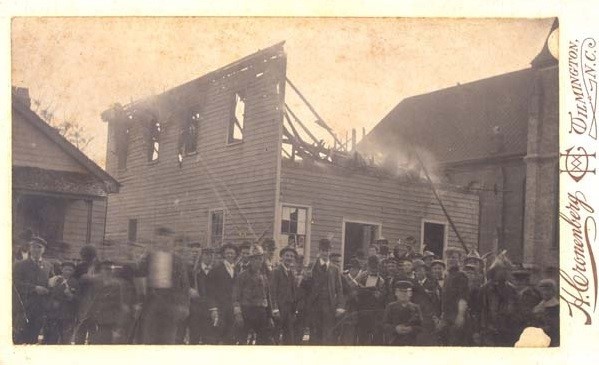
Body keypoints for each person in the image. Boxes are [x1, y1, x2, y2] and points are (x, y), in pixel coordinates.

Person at [137, 227, 191, 344]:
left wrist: (185, 306)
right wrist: (140, 300)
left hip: (171, 301)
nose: (165, 242)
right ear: (157, 240)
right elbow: (139, 278)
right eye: (161, 239)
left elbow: (185, 285)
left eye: (168, 239)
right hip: (152, 300)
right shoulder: (148, 258)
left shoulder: (178, 260)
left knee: (168, 337)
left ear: (172, 241)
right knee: (149, 336)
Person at [13, 236, 54, 344]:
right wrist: (34, 288)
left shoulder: (48, 265)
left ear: (44, 250)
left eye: (39, 247)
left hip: (41, 308)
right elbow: (15, 283)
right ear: (30, 248)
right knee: (19, 338)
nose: (36, 250)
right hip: (24, 308)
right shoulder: (20, 265)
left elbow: (52, 282)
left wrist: (51, 288)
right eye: (34, 247)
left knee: (34, 337)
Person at [233, 244, 274, 345]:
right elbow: (236, 297)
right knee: (242, 341)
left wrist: (269, 317)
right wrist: (238, 314)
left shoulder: (264, 276)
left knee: (263, 341)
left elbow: (267, 297)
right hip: (246, 312)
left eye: (260, 259)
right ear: (250, 260)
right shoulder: (242, 276)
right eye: (255, 259)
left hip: (261, 312)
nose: (258, 262)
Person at [307, 239, 345, 345]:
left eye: (327, 250)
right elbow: (307, 286)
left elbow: (339, 289)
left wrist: (340, 306)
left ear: (330, 251)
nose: (325, 253)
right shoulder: (312, 266)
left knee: (328, 335)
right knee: (314, 334)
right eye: (323, 250)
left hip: (329, 306)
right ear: (319, 251)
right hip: (315, 305)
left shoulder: (335, 269)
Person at [479, 253, 520, 346]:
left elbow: (516, 310)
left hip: (507, 331)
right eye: (501, 269)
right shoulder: (485, 288)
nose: (504, 272)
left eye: (506, 270)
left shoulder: (512, 289)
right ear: (494, 270)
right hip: (489, 331)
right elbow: (480, 309)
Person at [84, 261, 128, 344]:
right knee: (93, 341)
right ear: (101, 270)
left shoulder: (117, 284)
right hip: (94, 318)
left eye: (110, 269)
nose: (108, 271)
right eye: (106, 269)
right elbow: (89, 299)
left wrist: (118, 323)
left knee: (105, 341)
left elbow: (119, 303)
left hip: (108, 319)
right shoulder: (94, 282)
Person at [208, 242, 240, 344]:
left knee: (230, 335)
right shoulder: (216, 269)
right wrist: (213, 309)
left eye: (232, 253)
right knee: (218, 335)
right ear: (223, 255)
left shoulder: (237, 269)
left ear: (235, 255)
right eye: (227, 253)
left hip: (232, 308)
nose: (230, 255)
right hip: (220, 308)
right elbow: (211, 291)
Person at [185, 247, 217, 344]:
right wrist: (189, 290)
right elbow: (184, 285)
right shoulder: (193, 271)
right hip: (195, 309)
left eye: (211, 255)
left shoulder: (216, 271)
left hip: (211, 309)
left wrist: (215, 308)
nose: (209, 257)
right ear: (201, 256)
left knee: (209, 339)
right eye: (206, 254)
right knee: (194, 337)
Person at [439, 248, 471, 346]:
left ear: (459, 260)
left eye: (454, 257)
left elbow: (463, 298)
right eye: (449, 257)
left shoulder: (461, 276)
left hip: (456, 315)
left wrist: (460, 315)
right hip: (447, 316)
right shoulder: (448, 276)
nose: (451, 260)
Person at [354, 255, 386, 345]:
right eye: (371, 267)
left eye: (375, 267)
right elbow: (354, 288)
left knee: (375, 337)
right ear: (367, 266)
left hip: (375, 312)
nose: (373, 270)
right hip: (362, 310)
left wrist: (378, 295)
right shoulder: (362, 276)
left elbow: (382, 296)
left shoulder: (381, 280)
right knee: (362, 337)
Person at [45, 261, 79, 344]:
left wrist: (70, 295)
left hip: (67, 314)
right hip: (54, 313)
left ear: (73, 272)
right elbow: (49, 293)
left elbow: (77, 298)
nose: (67, 272)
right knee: (52, 337)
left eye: (70, 270)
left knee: (65, 338)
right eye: (66, 269)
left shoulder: (75, 282)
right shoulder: (55, 280)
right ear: (62, 270)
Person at [270, 246, 299, 345]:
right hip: (279, 308)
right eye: (287, 255)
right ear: (282, 257)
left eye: (292, 256)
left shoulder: (291, 272)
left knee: (289, 336)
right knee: (276, 334)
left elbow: (294, 292)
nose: (289, 258)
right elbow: (272, 291)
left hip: (289, 309)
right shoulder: (276, 271)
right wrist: (275, 309)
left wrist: (295, 310)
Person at [382, 280, 423, 346]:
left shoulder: (416, 308)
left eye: (406, 291)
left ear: (411, 293)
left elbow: (421, 326)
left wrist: (411, 329)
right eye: (400, 291)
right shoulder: (390, 307)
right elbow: (384, 325)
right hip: (394, 341)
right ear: (396, 293)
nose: (403, 294)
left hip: (411, 341)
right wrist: (395, 328)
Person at [412, 259, 440, 345]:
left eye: (420, 270)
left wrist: (436, 317)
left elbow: (436, 302)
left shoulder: (433, 283)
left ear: (425, 271)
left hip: (428, 318)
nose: (418, 272)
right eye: (416, 271)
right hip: (415, 318)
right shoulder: (412, 284)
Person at [532, 279, 559, 347]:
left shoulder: (556, 306)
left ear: (553, 292)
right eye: (542, 290)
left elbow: (554, 326)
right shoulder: (539, 305)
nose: (545, 293)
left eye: (548, 290)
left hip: (550, 337)